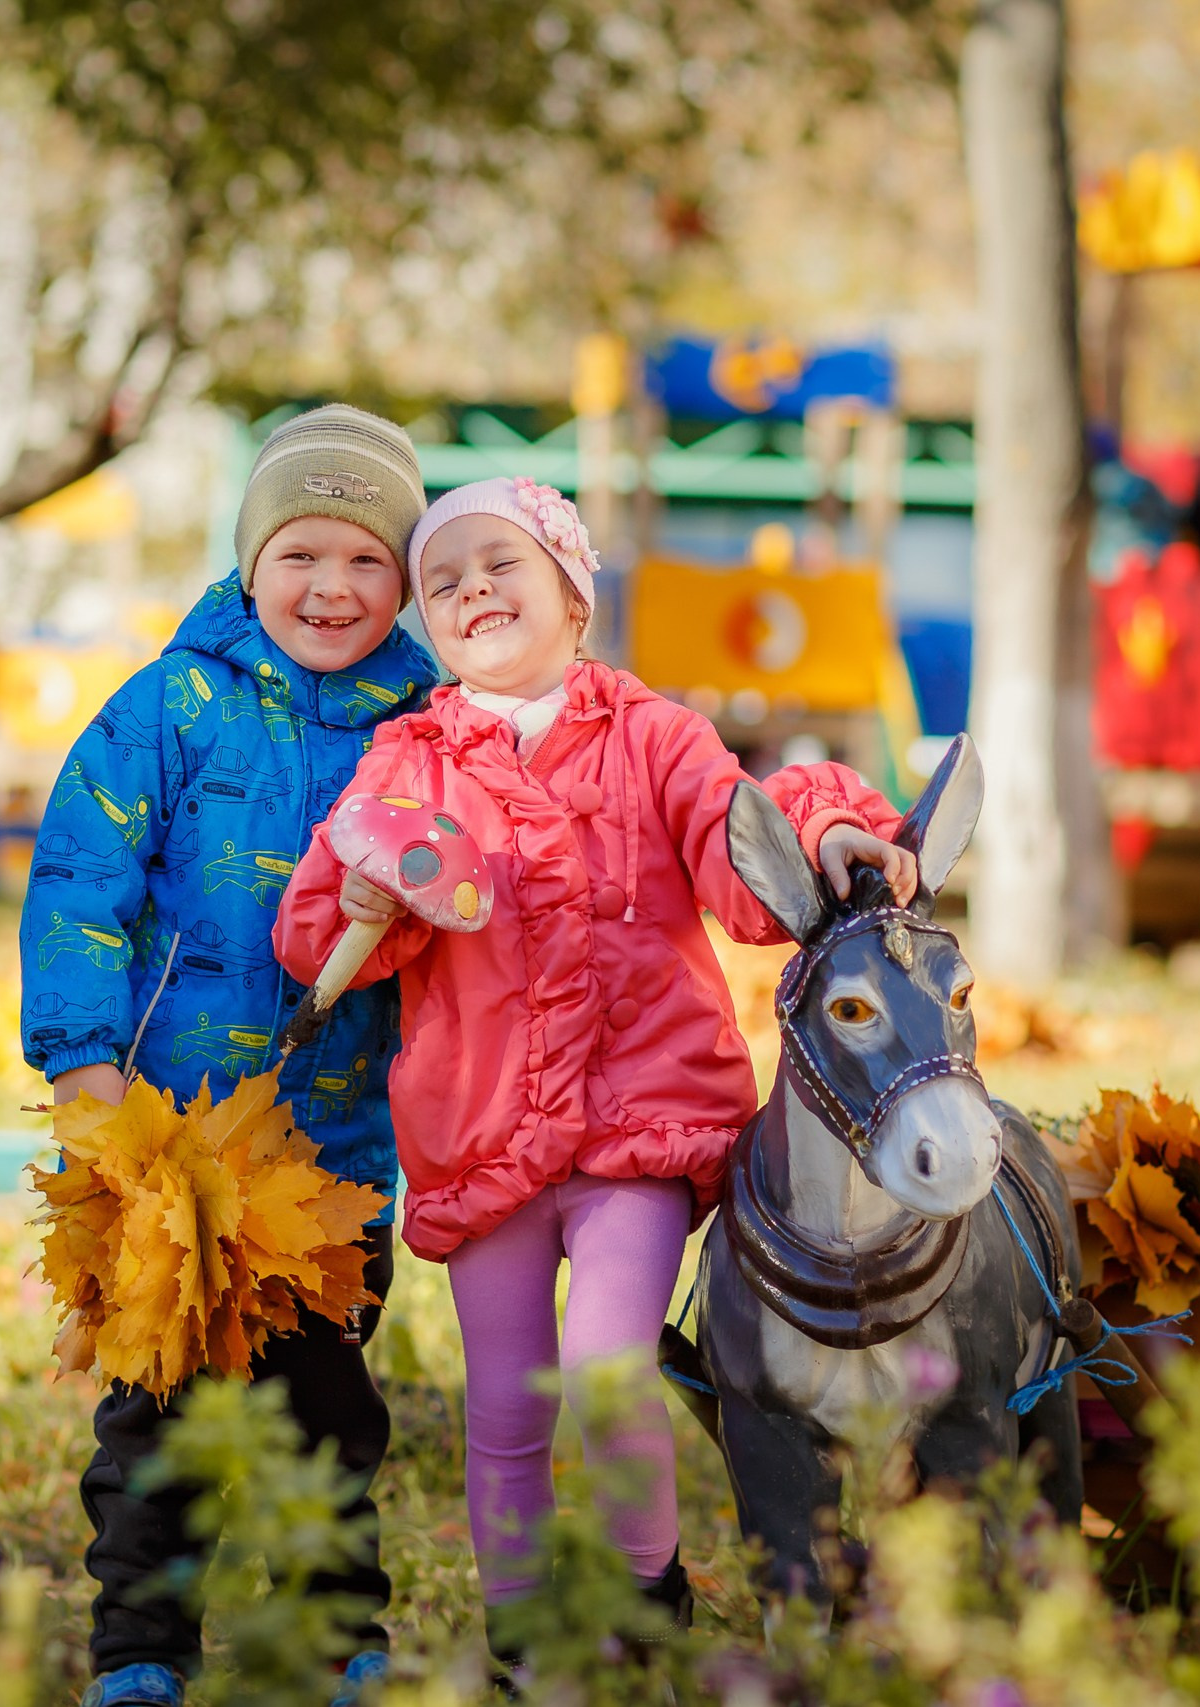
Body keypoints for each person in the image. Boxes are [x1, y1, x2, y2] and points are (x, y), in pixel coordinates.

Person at [275, 477, 915, 1664]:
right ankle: (521, 1634)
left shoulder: (652, 735)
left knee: (609, 1371)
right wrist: (361, 899)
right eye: (443, 581)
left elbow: (742, 846)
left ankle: (637, 1601)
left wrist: (822, 830)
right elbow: (326, 936)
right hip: (482, 1136)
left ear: (574, 597)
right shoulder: (411, 757)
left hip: (636, 1128)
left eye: (499, 566)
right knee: (508, 1411)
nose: (471, 590)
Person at [18, 405, 436, 1707]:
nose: (333, 586)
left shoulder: (426, 725)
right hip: (173, 1134)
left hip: (335, 1149)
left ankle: (334, 1637)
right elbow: (83, 878)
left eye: (369, 559)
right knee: (156, 1416)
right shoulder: (171, 703)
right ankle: (142, 1647)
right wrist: (87, 1063)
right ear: (252, 561)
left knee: (327, 1412)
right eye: (303, 552)